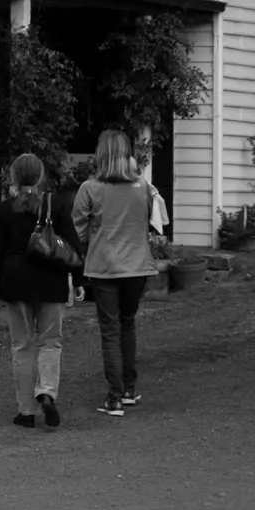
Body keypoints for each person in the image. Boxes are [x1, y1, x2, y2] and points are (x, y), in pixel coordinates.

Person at [0, 152, 79, 429]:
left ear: (13, 177)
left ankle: (25, 411)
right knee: (50, 342)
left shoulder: (6, 209)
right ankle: (47, 392)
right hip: (52, 281)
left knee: (22, 345)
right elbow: (73, 245)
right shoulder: (58, 205)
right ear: (42, 177)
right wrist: (80, 281)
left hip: (16, 282)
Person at [73, 127, 160, 416]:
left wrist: (93, 238)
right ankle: (129, 389)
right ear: (126, 155)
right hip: (137, 266)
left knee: (110, 331)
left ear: (101, 155)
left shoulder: (89, 188)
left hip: (105, 266)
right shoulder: (143, 187)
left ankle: (114, 397)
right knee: (127, 325)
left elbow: (79, 229)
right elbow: (151, 220)